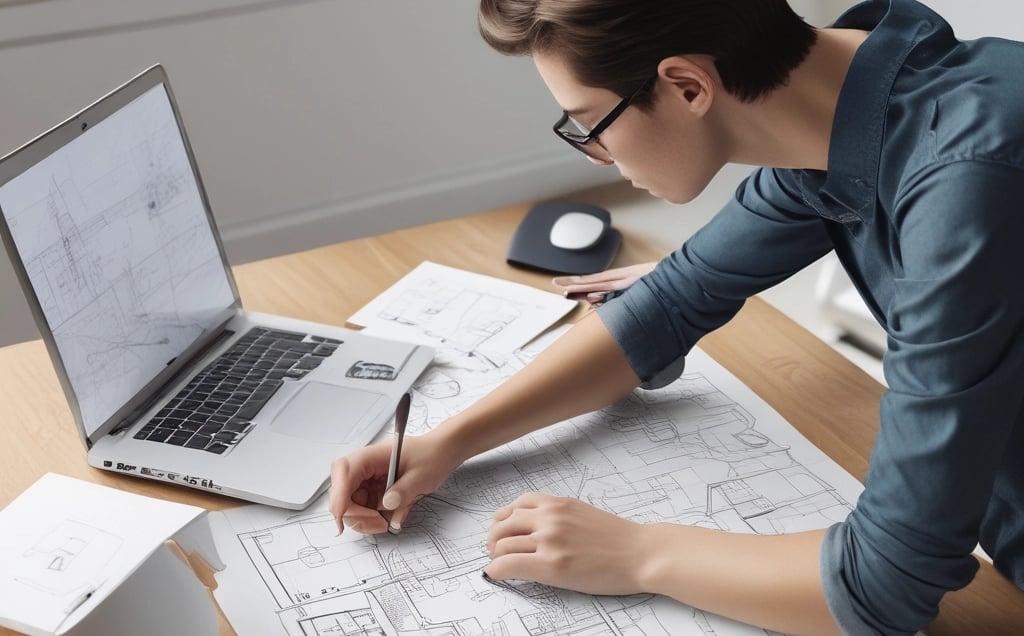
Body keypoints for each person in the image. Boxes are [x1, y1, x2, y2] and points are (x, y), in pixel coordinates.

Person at [330, 0, 1024, 633]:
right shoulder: (854, 103)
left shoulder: (964, 183)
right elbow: (667, 304)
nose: (596, 154)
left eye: (589, 124)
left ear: (688, 85)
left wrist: (639, 553)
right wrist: (449, 441)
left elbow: (886, 583)